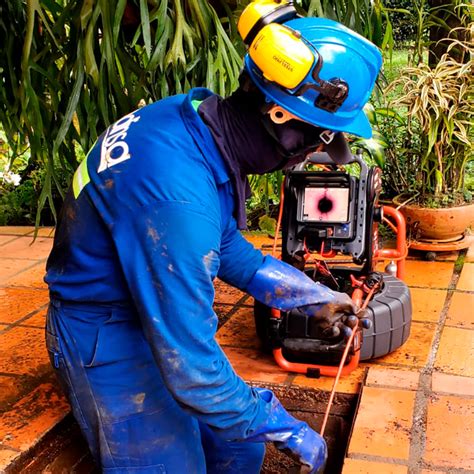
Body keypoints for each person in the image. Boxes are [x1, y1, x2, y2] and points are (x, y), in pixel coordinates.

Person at [44, 2, 382, 473]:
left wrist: (311, 296)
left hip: (145, 305)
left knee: (239, 448)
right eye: (318, 141)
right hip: (104, 331)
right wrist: (284, 425)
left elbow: (221, 247)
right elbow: (194, 371)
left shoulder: (189, 122)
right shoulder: (178, 197)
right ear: (282, 119)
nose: (306, 159)